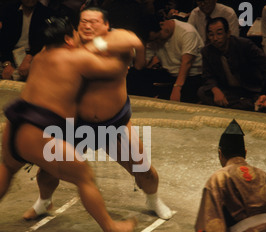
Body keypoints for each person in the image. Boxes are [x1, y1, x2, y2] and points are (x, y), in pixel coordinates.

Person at [0, 17, 137, 232]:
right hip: (40, 128)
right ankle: (110, 228)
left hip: (15, 121)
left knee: (8, 166)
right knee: (84, 177)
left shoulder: (40, 56)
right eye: (76, 34)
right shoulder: (76, 57)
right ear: (69, 40)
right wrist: (125, 56)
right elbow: (113, 70)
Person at [24, 7, 175, 221]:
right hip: (75, 123)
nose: (87, 25)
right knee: (48, 170)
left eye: (94, 21)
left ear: (106, 25)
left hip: (113, 123)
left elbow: (133, 41)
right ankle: (43, 202)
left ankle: (153, 200)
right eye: (83, 21)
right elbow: (44, 58)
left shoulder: (117, 39)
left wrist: (98, 46)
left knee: (144, 170)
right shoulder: (69, 43)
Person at [198, 17, 266, 113]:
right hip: (229, 91)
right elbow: (207, 76)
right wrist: (215, 89)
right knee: (202, 92)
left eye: (219, 34)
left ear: (228, 33)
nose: (215, 38)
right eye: (211, 35)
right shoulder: (207, 51)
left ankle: (242, 105)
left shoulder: (244, 45)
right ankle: (247, 106)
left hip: (251, 89)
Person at [0, 0, 53, 80]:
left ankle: (6, 76)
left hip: (33, 55)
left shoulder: (45, 13)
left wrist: (28, 58)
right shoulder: (11, 10)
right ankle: (14, 75)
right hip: (14, 55)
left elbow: (42, 42)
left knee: (47, 63)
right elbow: (5, 41)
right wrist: (7, 64)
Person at [140, 18, 204, 103]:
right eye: (154, 40)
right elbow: (141, 64)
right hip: (169, 74)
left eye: (157, 38)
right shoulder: (154, 38)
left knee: (181, 96)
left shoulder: (187, 32)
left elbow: (187, 63)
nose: (157, 42)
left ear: (162, 25)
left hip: (192, 75)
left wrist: (177, 87)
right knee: (137, 77)